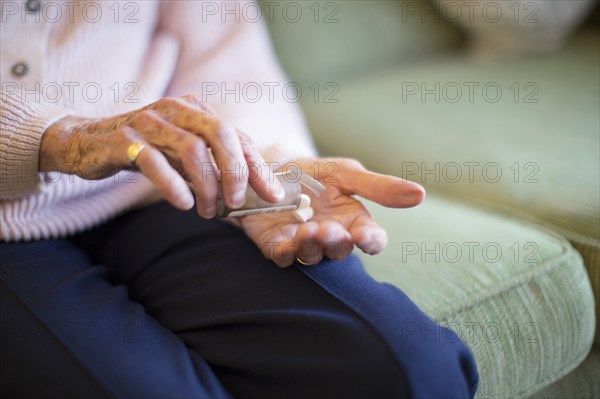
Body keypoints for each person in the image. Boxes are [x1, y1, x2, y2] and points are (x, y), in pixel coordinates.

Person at [0, 1, 478, 397]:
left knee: (411, 371)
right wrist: (59, 140)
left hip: (165, 186)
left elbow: (219, 50)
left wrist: (262, 172)